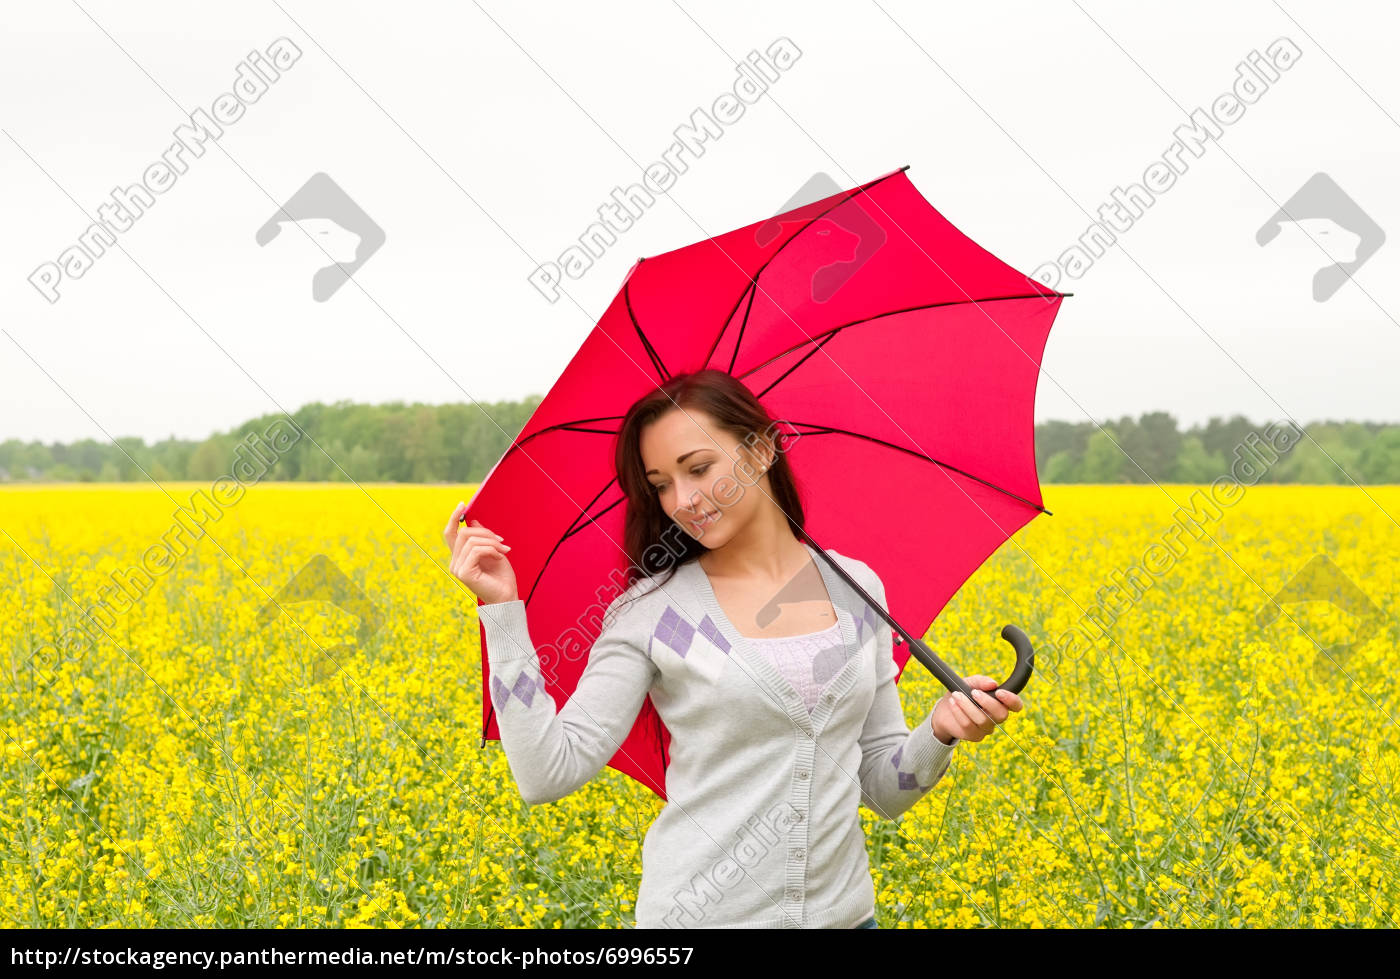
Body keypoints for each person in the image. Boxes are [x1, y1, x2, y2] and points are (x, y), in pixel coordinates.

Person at [445, 369, 1023, 928]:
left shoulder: (857, 588)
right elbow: (547, 773)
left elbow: (881, 789)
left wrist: (942, 731)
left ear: (763, 449)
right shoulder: (654, 613)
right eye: (661, 484)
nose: (684, 500)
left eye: (698, 468)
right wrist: (501, 611)